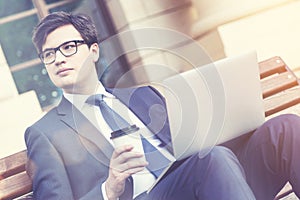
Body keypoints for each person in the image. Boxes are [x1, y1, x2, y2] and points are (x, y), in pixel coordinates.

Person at [24, 11, 300, 200]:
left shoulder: (143, 96)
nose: (59, 59)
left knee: (285, 128)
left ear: (93, 51)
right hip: (159, 191)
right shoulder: (44, 133)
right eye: (49, 54)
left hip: (213, 183)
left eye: (68, 47)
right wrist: (110, 187)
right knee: (212, 161)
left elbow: (192, 152)